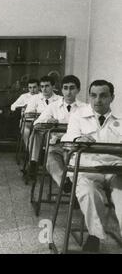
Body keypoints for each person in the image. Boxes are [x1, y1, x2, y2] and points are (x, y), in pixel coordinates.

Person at [61, 80, 122, 253]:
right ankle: (95, 235)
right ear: (89, 97)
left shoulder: (120, 119)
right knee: (89, 193)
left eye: (103, 95)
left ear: (112, 98)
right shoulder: (78, 115)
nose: (98, 100)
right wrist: (78, 139)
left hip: (115, 169)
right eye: (93, 95)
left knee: (121, 196)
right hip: (86, 169)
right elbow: (68, 137)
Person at [30, 75, 87, 184]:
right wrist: (47, 121)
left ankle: (77, 187)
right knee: (51, 163)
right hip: (57, 145)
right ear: (61, 90)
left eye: (72, 88)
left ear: (78, 90)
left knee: (77, 166)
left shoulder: (85, 108)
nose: (68, 92)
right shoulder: (53, 106)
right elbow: (36, 123)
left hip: (77, 147)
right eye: (65, 88)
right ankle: (66, 184)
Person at [24, 76, 62, 171]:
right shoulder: (35, 98)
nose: (44, 89)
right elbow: (28, 115)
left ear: (53, 86)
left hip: (56, 132)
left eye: (47, 86)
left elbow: (63, 117)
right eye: (42, 86)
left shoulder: (60, 99)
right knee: (35, 133)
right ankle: (33, 162)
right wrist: (42, 118)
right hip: (41, 130)